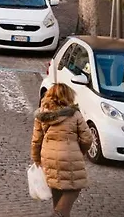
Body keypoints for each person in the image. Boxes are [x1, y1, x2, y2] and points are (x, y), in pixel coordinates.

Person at [32, 83, 92, 217]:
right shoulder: (75, 114)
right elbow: (87, 139)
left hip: (48, 158)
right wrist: (80, 151)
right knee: (74, 188)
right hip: (69, 157)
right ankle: (57, 214)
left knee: (57, 190)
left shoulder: (41, 115)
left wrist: (37, 159)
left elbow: (36, 141)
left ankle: (59, 213)